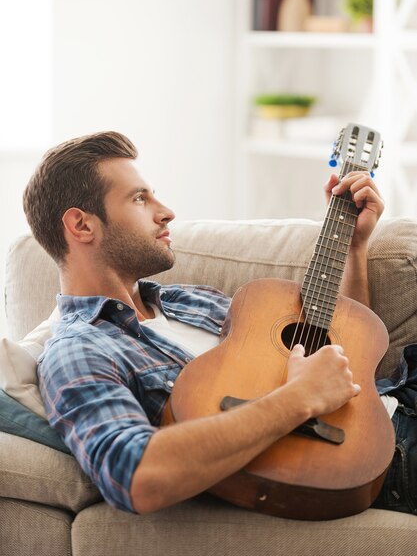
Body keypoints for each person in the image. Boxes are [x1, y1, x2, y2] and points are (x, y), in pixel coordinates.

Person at [23, 130, 397, 516]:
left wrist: (353, 248)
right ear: (82, 226)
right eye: (139, 198)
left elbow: (345, 343)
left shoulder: (193, 300)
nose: (166, 211)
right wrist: (297, 399)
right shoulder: (78, 349)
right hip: (374, 466)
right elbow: (134, 475)